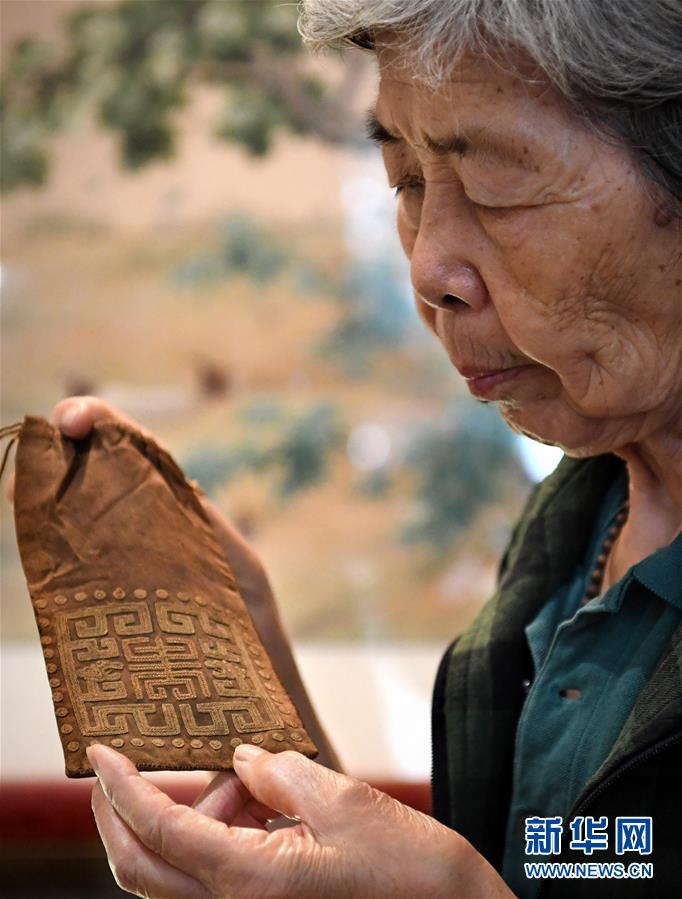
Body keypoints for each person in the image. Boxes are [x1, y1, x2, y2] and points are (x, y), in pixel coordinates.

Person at [8, 0, 682, 896]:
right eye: (407, 182)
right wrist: (259, 674)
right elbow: (555, 869)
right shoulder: (573, 526)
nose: (428, 269)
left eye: (496, 190)